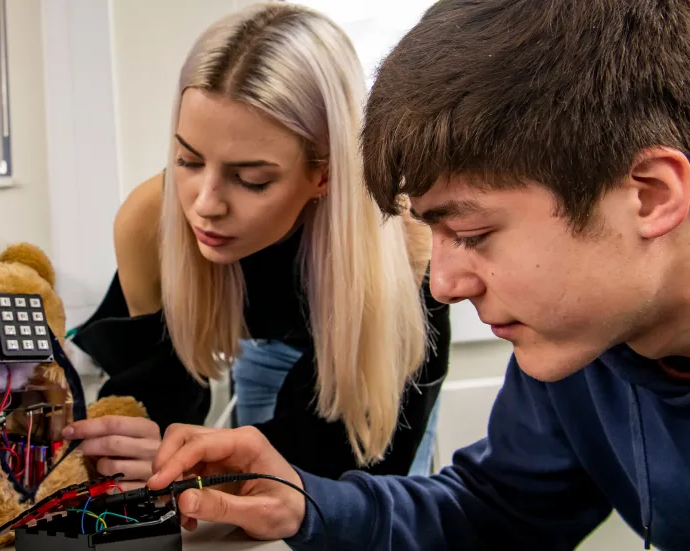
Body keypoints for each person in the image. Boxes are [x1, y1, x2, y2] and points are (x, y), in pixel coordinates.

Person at [144, 0, 690, 550]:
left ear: (652, 196)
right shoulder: (579, 333)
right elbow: (493, 511)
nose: (443, 284)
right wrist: (307, 503)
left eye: (472, 235)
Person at [63, 1, 451, 487]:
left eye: (250, 179)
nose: (204, 205)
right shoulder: (149, 224)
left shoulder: (403, 242)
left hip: (364, 347)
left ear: (324, 173)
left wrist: (212, 463)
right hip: (265, 344)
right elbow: (159, 399)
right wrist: (145, 445)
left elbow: (354, 471)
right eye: (188, 160)